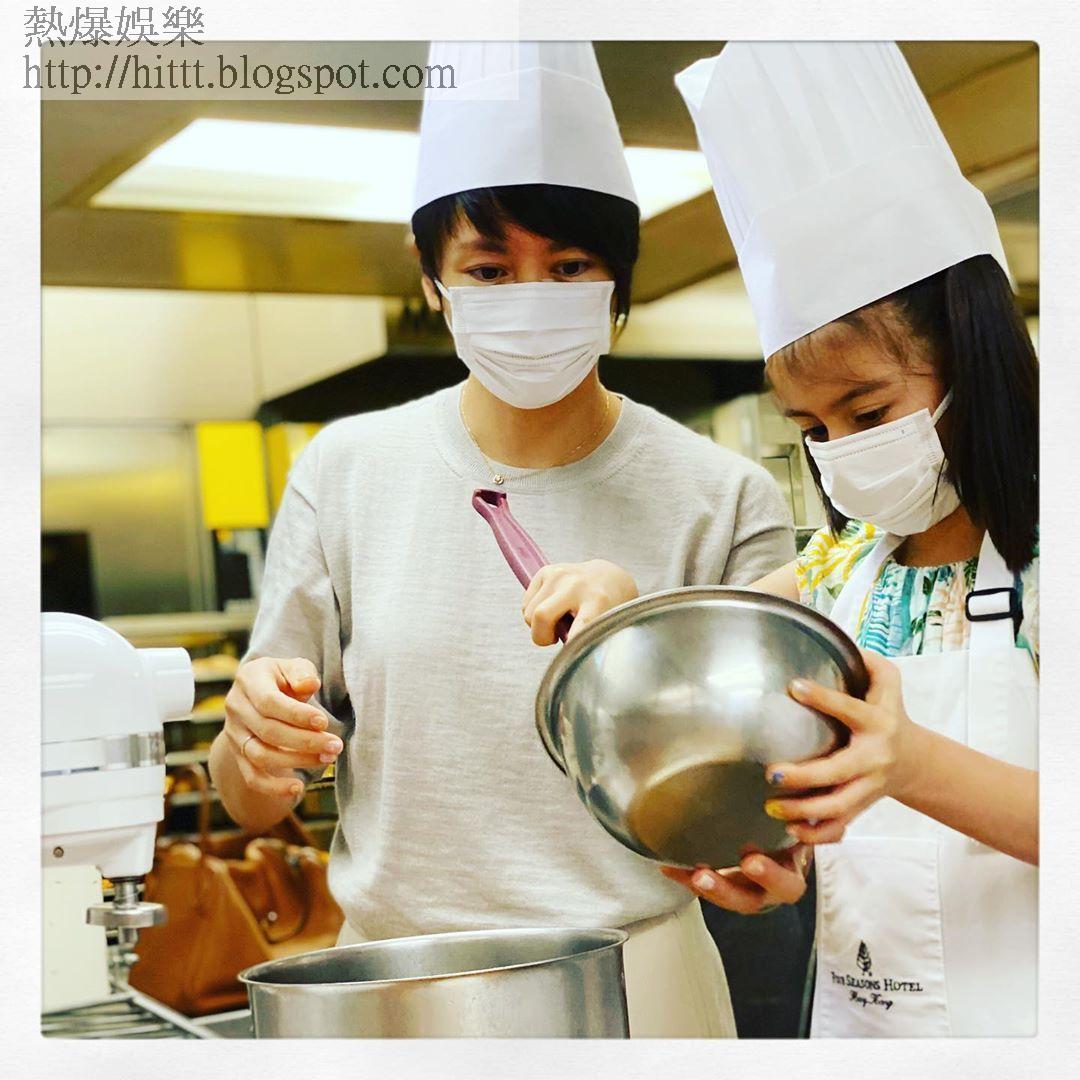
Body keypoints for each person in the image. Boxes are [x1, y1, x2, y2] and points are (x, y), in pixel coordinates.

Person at [208, 41, 795, 1038]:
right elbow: (254, 794)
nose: (529, 296)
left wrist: (651, 659)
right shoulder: (344, 470)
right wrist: (250, 747)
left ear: (618, 279)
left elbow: (773, 802)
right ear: (432, 279)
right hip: (394, 988)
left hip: (640, 984)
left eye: (568, 267)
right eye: (488, 269)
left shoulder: (723, 497)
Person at [524, 42, 1038, 1037]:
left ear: (971, 361)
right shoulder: (843, 571)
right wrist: (782, 862)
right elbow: (708, 653)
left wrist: (911, 763)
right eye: (813, 428)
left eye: (868, 409)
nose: (842, 450)